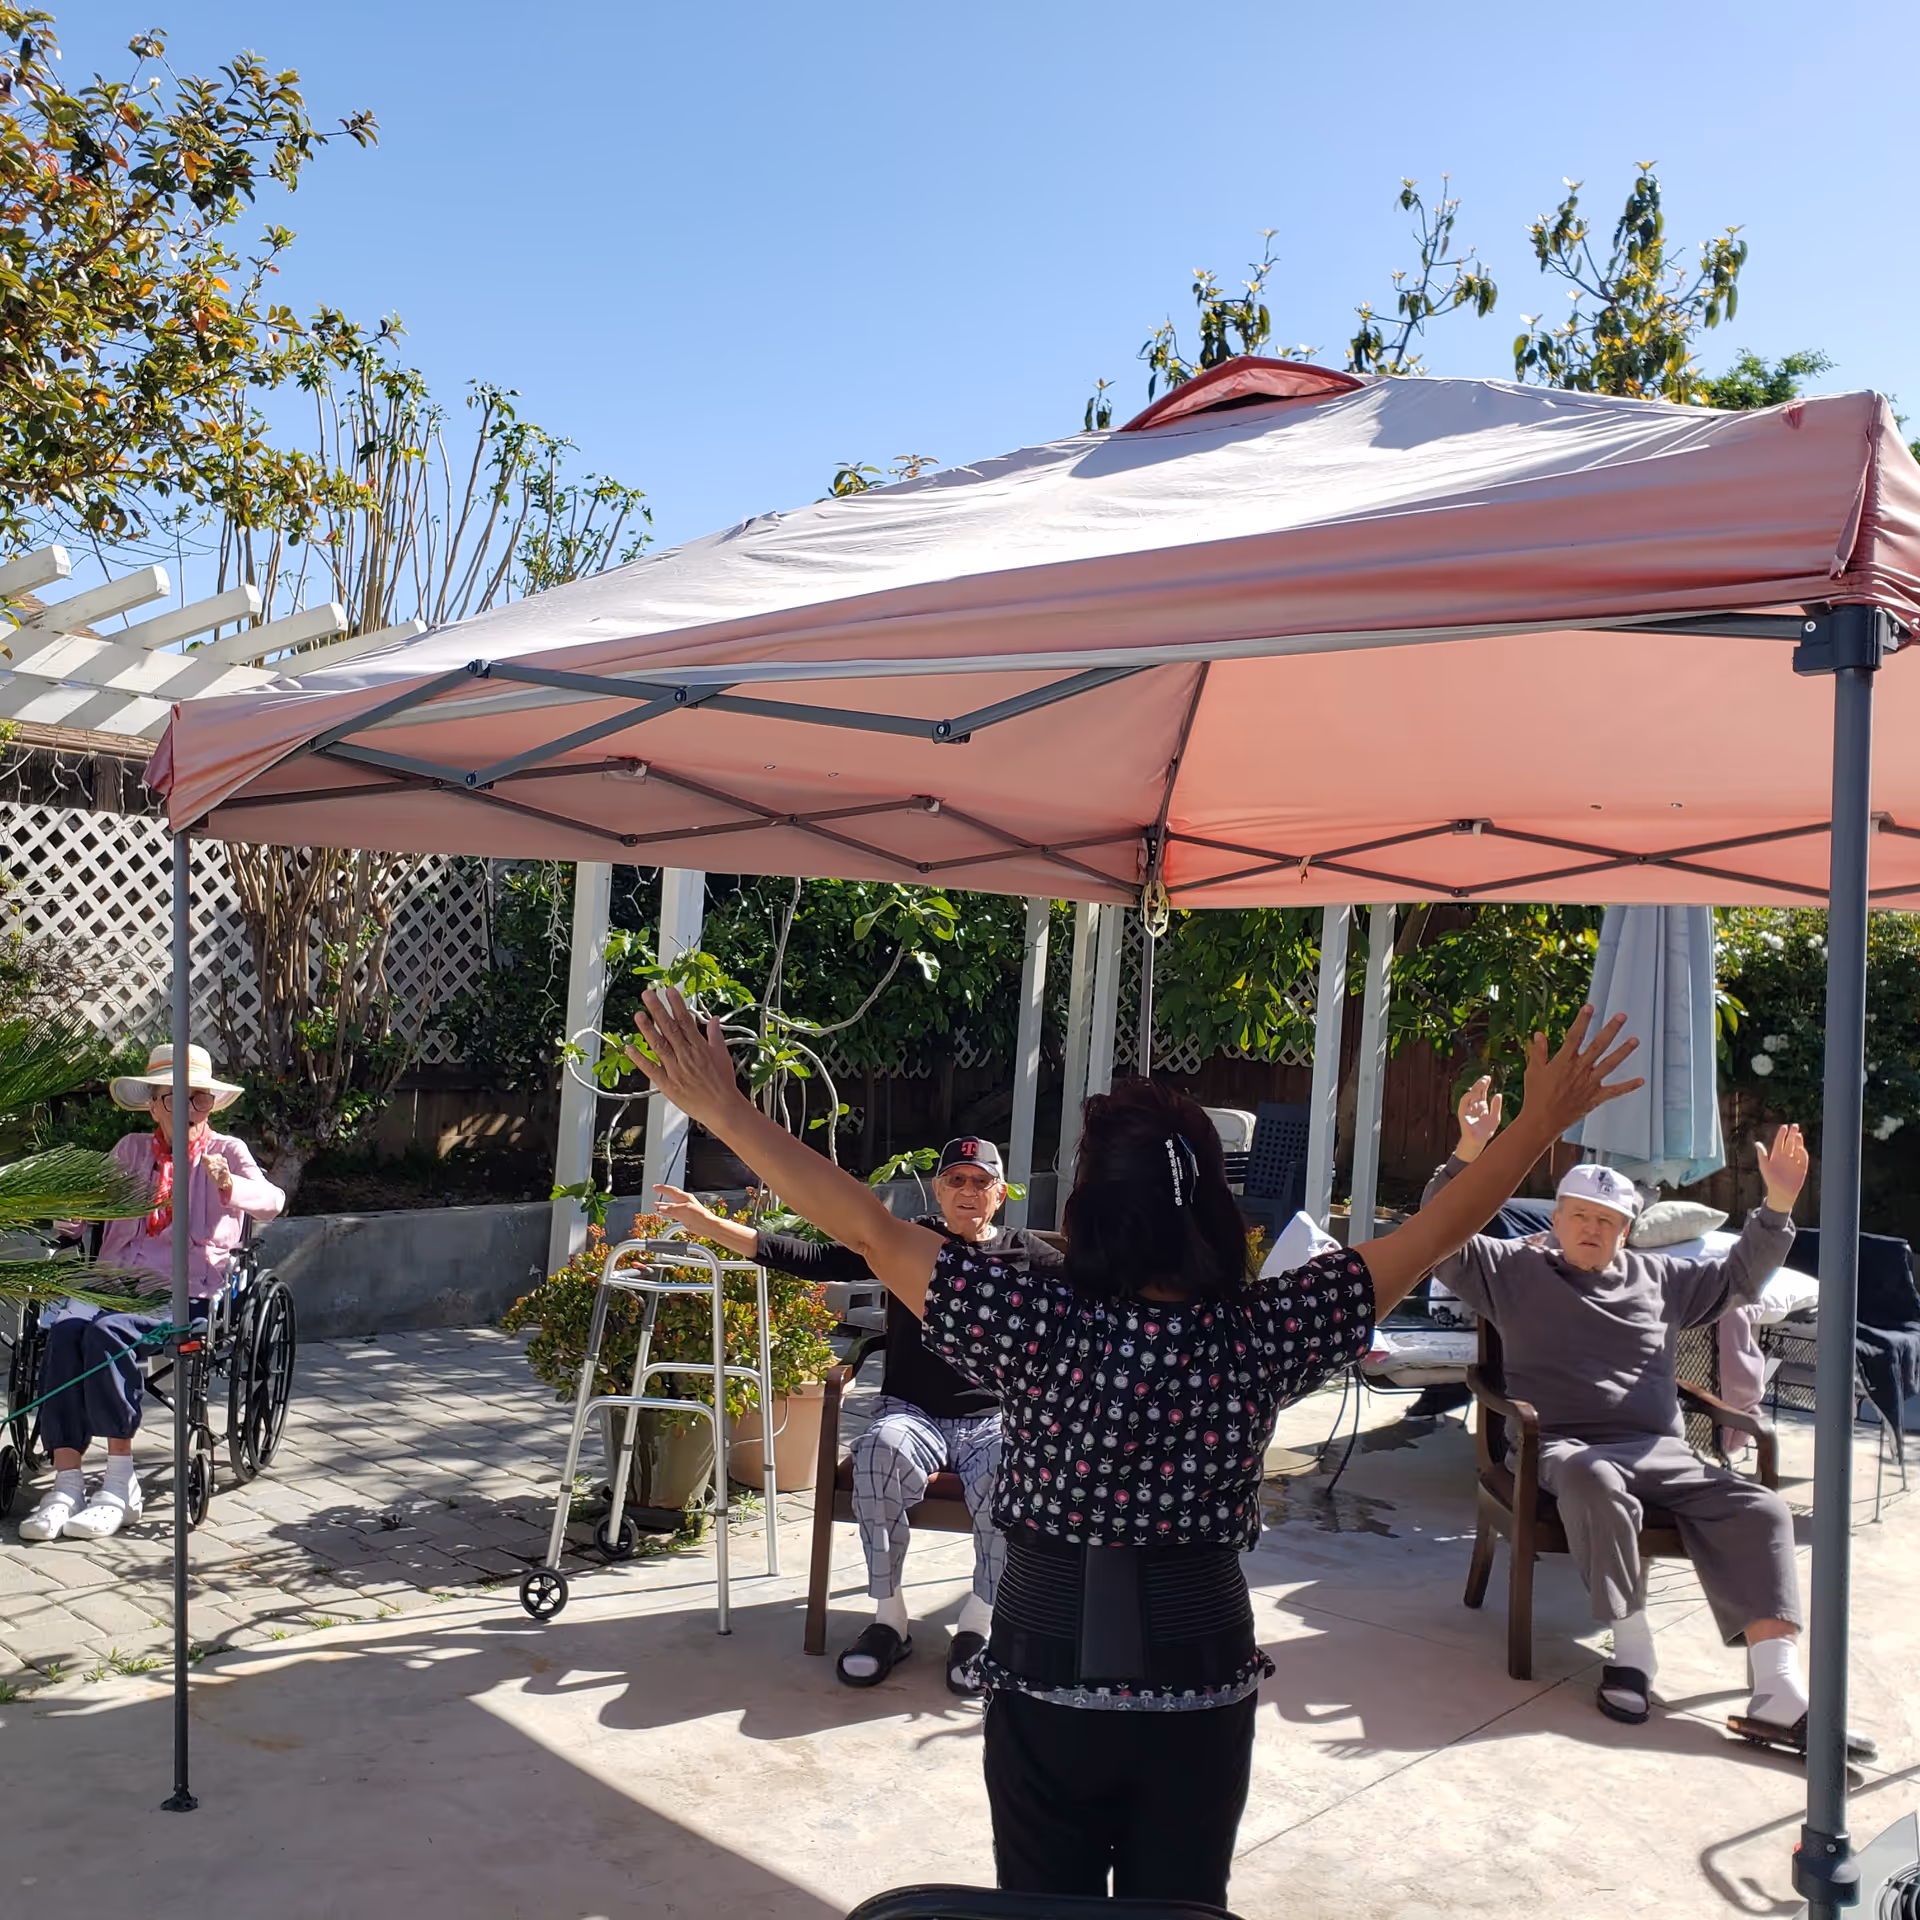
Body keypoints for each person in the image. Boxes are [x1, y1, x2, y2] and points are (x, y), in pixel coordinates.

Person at [625, 985, 1640, 1904]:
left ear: (1087, 1210)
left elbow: (852, 1215)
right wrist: (1540, 1127)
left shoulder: (1023, 1310)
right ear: (1210, 1206)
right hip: (1200, 1673)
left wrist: (723, 1107)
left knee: (1044, 1908)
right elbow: (1436, 1231)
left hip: (1044, 1660)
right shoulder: (1266, 1327)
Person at [1424, 1076, 1875, 1761]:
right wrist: (1467, 1151)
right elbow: (1439, 1233)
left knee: (1761, 1510)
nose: (1591, 1229)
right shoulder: (1513, 1269)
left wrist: (1778, 1203)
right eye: (1578, 1214)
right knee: (1595, 1479)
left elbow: (1739, 1280)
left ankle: (1777, 1693)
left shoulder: (1658, 1281)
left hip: (1658, 1450)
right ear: (1557, 1217)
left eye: (1607, 1221)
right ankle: (1632, 1655)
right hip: (1561, 1448)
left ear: (1627, 1232)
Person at [655, 1135, 1061, 1694]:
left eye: (980, 1181)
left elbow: (1101, 1295)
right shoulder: (905, 1241)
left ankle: (977, 1625)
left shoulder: (1029, 1255)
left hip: (995, 1418)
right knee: (878, 1451)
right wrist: (711, 1227)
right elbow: (813, 1258)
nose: (967, 1191)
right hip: (911, 1413)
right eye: (955, 1180)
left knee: (1007, 1473)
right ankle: (888, 1620)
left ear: (1000, 1193)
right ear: (939, 1190)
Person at [19, 1043, 284, 1544]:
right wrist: (72, 1215)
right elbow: (83, 1214)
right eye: (174, 1098)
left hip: (187, 1289)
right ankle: (67, 1484)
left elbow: (273, 1200)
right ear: (152, 1104)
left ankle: (120, 1486)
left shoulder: (227, 1150)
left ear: (209, 1104)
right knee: (66, 1334)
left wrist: (230, 1189)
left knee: (106, 1336)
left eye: (198, 1099)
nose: (187, 1109)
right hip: (114, 1278)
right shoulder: (130, 1151)